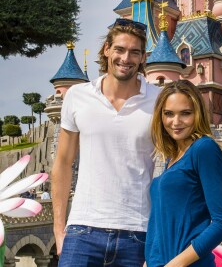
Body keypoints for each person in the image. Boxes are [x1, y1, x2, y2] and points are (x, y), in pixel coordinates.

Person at [51, 18, 161, 267]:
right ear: (106, 50)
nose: (126, 58)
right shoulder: (78, 96)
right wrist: (59, 231)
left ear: (143, 57)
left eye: (134, 52)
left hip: (138, 232)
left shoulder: (159, 100)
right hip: (82, 230)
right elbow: (63, 163)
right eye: (120, 49)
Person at [145, 80, 222, 267]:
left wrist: (175, 264)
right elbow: (160, 224)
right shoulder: (171, 158)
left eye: (185, 113)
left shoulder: (204, 148)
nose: (175, 122)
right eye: (168, 114)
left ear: (198, 114)